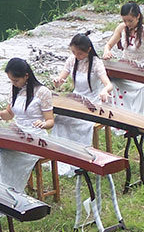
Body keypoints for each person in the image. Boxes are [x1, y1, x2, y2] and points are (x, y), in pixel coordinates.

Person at [0, 57, 54, 201]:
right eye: (11, 81)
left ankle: (7, 194)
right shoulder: (15, 90)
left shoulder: (42, 92)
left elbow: (50, 121)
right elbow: (9, 114)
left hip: (35, 137)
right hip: (17, 133)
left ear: (26, 76)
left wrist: (43, 124)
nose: (14, 84)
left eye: (16, 80)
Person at [48, 32, 113, 165]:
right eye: (74, 53)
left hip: (92, 101)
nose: (77, 56)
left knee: (80, 124)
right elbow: (62, 79)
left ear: (88, 50)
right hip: (76, 99)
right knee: (59, 120)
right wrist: (57, 81)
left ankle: (80, 156)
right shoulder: (72, 60)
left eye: (80, 54)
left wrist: (104, 91)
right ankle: (61, 157)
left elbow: (108, 85)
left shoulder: (96, 63)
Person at [100, 1, 144, 113]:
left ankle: (134, 116)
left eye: (130, 20)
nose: (127, 23)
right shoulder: (121, 28)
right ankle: (115, 113)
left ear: (138, 16)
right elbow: (108, 45)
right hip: (123, 66)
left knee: (139, 88)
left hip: (139, 69)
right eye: (124, 20)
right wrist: (107, 52)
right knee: (110, 83)